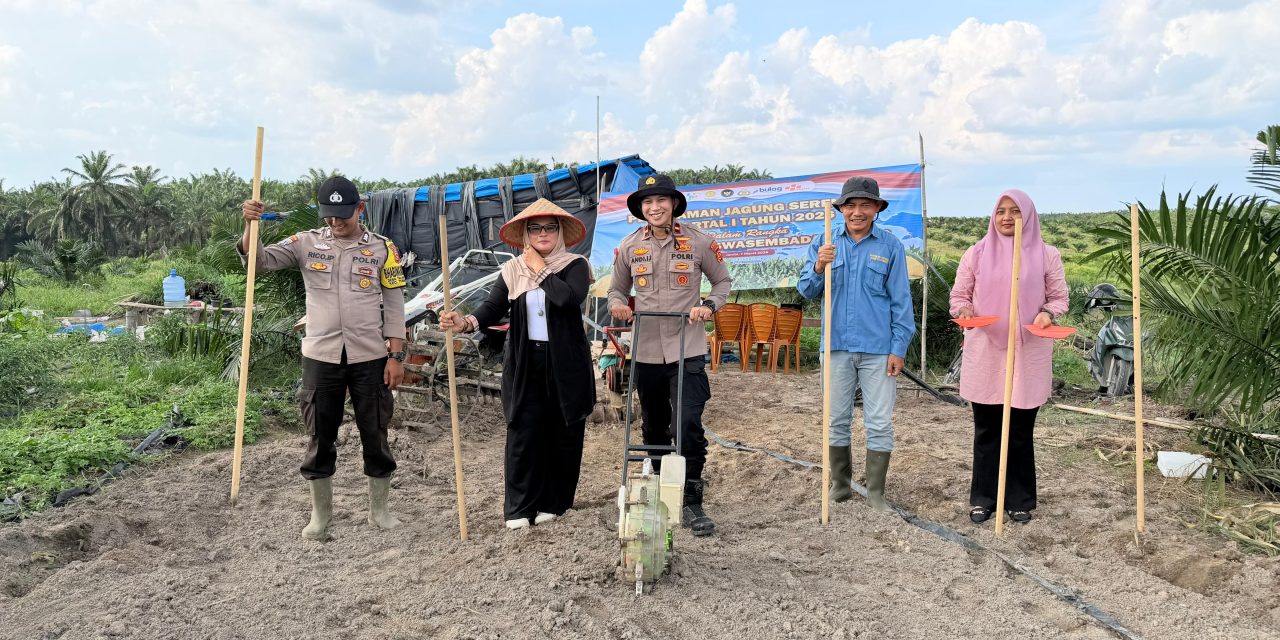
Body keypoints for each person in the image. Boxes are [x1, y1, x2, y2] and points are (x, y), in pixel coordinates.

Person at [240, 175, 407, 540]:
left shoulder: (382, 249)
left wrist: (397, 356)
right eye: (329, 215)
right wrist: (250, 224)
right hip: (321, 356)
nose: (335, 222)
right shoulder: (306, 244)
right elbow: (260, 261)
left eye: (343, 215)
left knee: (375, 431)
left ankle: (379, 511)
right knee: (320, 434)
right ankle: (321, 517)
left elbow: (394, 306)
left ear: (360, 208)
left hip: (370, 357)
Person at [438, 198, 595, 530]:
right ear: (525, 233)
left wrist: (539, 268)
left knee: (563, 432)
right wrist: (463, 322)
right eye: (534, 228)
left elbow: (567, 299)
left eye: (549, 228)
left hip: (565, 363)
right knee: (524, 431)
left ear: (559, 232)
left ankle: (555, 502)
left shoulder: (575, 265)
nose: (542, 234)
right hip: (526, 361)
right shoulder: (512, 269)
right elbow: (491, 308)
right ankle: (520, 508)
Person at [607, 174, 733, 536]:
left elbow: (722, 281)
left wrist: (708, 305)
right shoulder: (630, 247)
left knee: (688, 424)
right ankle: (663, 491)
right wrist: (618, 305)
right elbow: (617, 289)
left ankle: (692, 499)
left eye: (661, 200)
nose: (655, 207)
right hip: (645, 350)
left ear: (674, 204)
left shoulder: (699, 242)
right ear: (641, 209)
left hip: (687, 347)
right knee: (654, 425)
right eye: (648, 203)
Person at [950, 189, 1068, 524]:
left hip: (1027, 350)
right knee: (987, 429)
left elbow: (1059, 297)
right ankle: (984, 498)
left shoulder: (1047, 255)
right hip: (986, 349)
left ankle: (1020, 499)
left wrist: (1046, 313)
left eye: (1014, 211)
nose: (1005, 218)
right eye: (1000, 211)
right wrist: (965, 309)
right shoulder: (976, 253)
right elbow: (959, 295)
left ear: (1028, 216)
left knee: (1019, 430)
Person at [797, 176, 915, 511]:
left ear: (877, 209)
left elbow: (901, 302)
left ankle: (876, 492)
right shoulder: (825, 240)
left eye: (865, 205)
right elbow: (805, 290)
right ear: (841, 209)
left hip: (879, 350)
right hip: (836, 346)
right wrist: (819, 265)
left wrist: (898, 348)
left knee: (879, 420)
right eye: (851, 205)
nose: (857, 211)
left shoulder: (890, 246)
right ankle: (841, 485)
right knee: (836, 419)